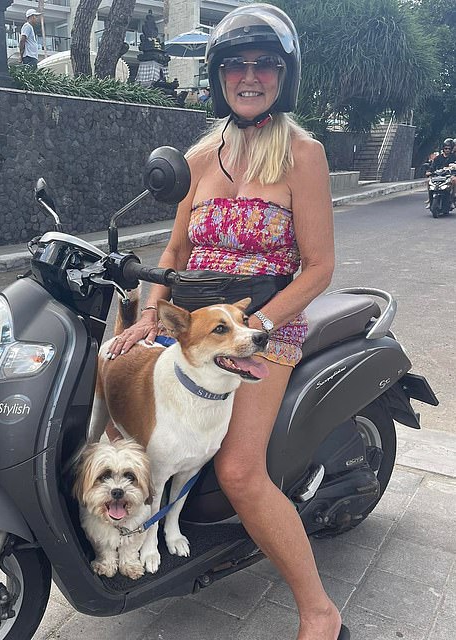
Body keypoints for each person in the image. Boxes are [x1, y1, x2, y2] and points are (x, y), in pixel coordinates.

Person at [106, 4, 347, 640]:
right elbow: (175, 252)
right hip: (195, 325)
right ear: (217, 76)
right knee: (107, 390)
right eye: (235, 65)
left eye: (262, 64)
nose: (248, 76)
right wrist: (148, 317)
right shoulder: (199, 155)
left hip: (264, 326)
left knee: (240, 471)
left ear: (283, 76)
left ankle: (320, 613)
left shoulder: (304, 155)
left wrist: (255, 328)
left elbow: (318, 268)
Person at [426, 138, 455, 208]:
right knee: (428, 181)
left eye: (449, 148)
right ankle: (430, 199)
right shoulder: (438, 157)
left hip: (449, 175)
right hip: (438, 175)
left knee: (454, 180)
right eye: (446, 148)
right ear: (443, 148)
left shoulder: (454, 157)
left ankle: (452, 199)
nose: (447, 150)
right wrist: (429, 171)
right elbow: (433, 166)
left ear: (451, 149)